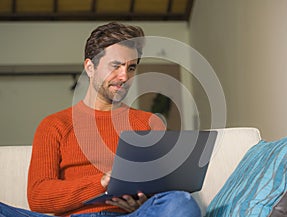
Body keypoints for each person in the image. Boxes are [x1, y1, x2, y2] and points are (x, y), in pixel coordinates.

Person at [0, 22, 201, 217]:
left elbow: (165, 187)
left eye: (131, 68)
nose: (124, 76)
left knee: (181, 202)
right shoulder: (55, 125)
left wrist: (144, 201)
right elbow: (38, 197)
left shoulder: (149, 123)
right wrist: (103, 183)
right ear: (89, 67)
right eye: (116, 66)